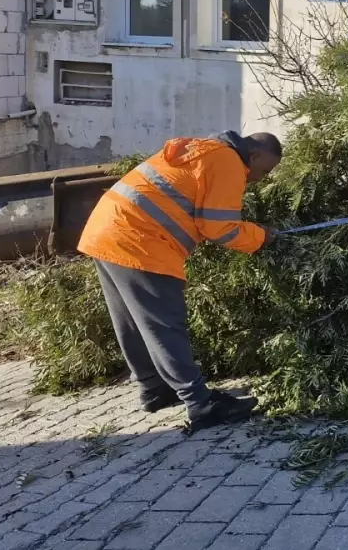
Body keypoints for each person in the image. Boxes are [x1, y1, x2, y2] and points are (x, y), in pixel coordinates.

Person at [78, 131, 283, 431]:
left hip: (108, 228)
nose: (261, 179)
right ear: (253, 156)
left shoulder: (207, 149)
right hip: (139, 238)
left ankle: (154, 389)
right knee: (165, 323)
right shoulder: (228, 161)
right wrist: (263, 237)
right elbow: (219, 227)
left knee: (132, 320)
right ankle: (201, 404)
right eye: (265, 170)